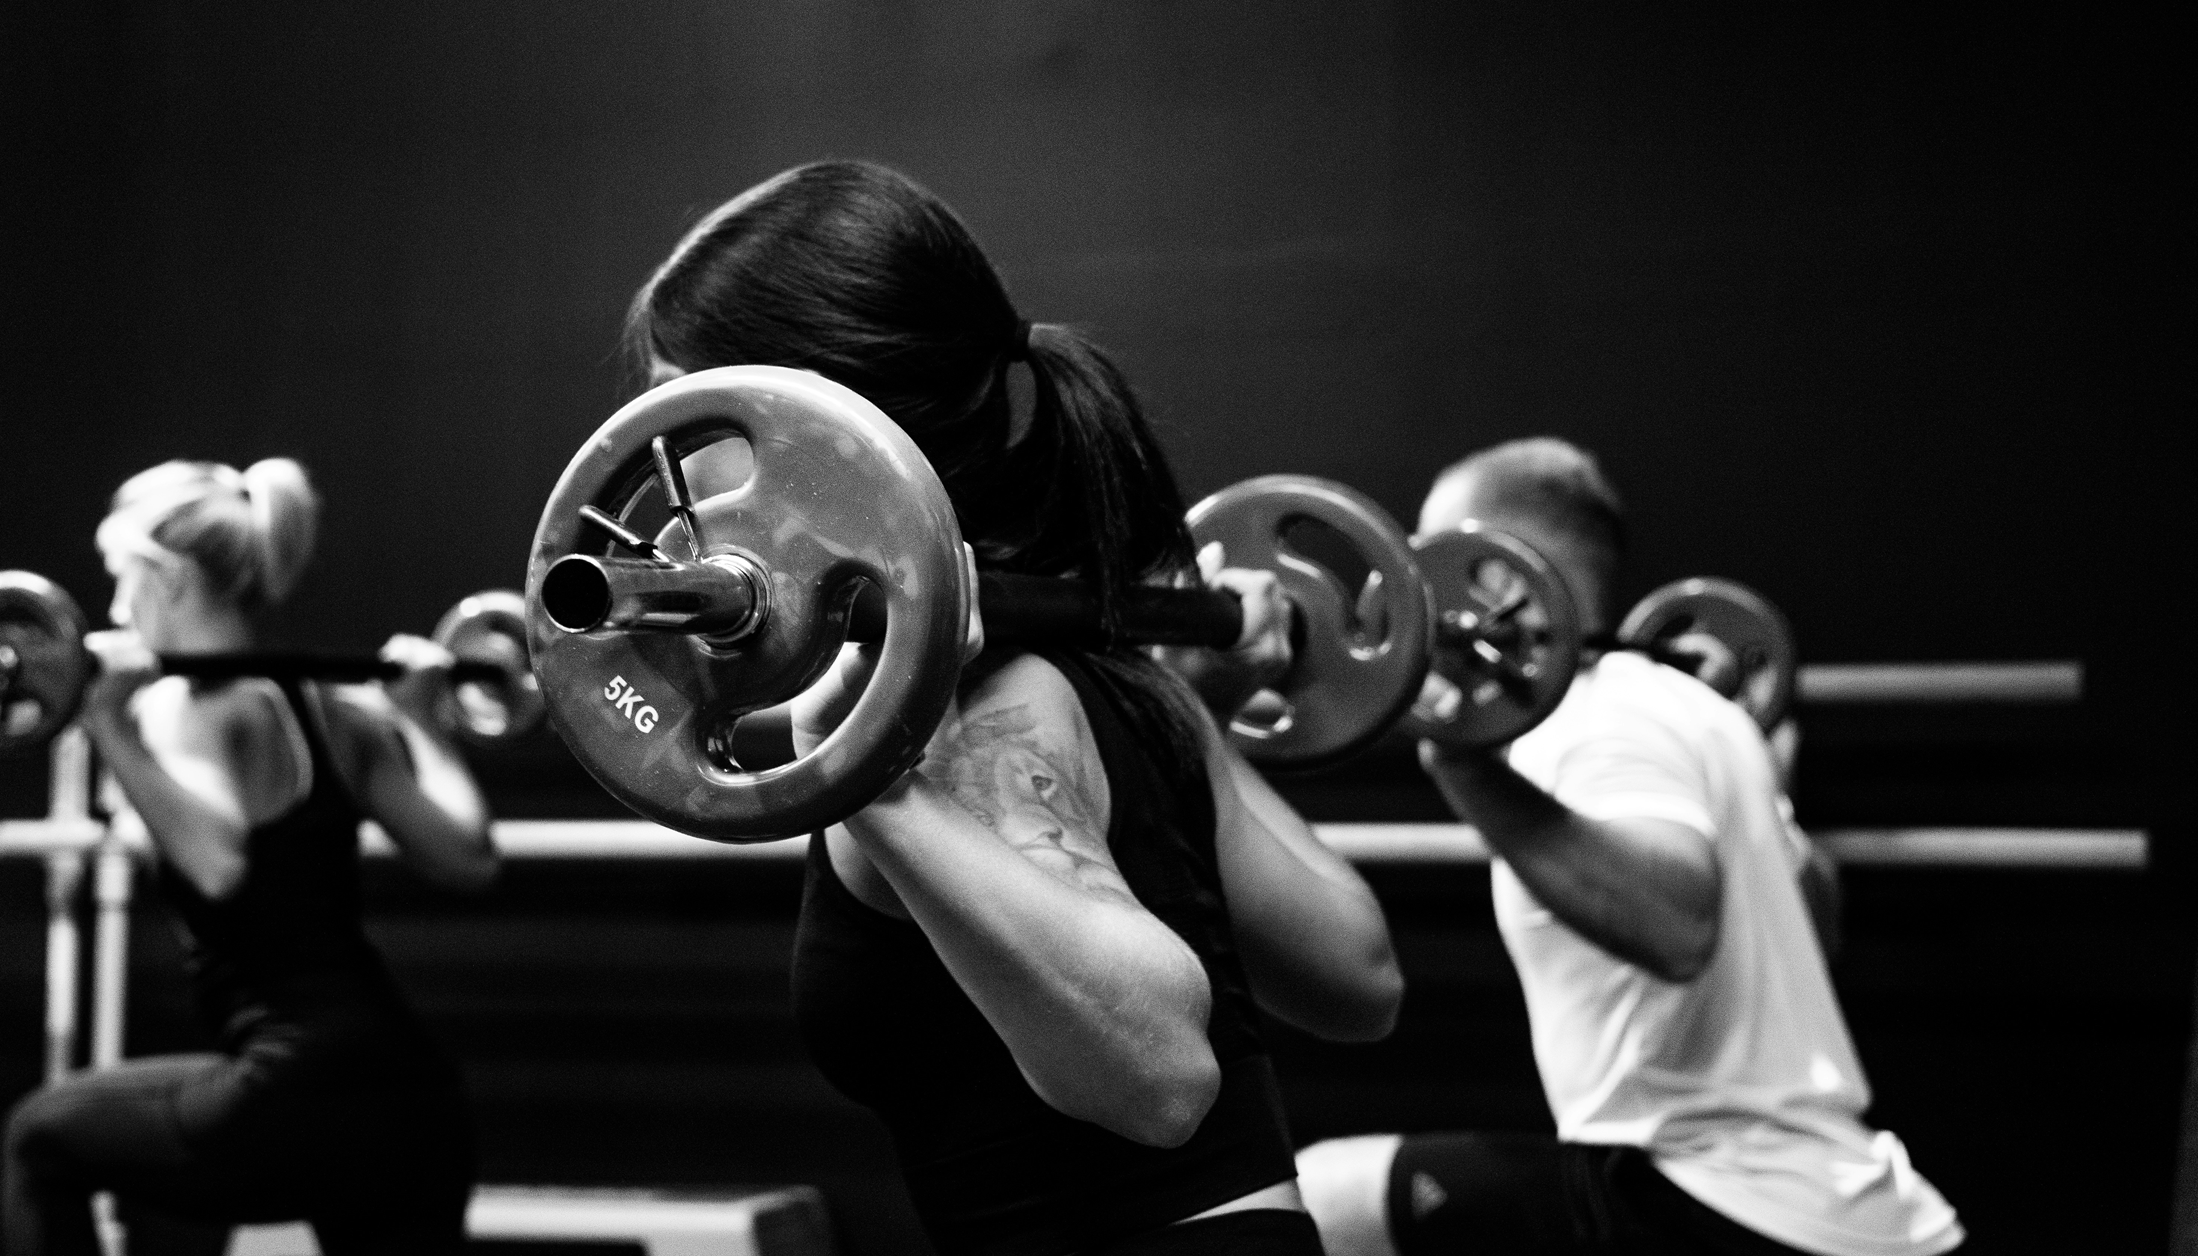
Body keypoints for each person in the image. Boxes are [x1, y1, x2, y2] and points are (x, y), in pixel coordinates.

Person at [624, 160, 1406, 1255]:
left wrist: (873, 785)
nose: (662, 476)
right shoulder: (1120, 674)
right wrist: (1200, 723)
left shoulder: (975, 714)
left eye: (688, 417)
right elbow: (1359, 980)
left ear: (815, 421)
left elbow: (1165, 1078)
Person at [1295, 438, 1962, 1256]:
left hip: (1717, 1197)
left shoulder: (1591, 722)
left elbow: (1677, 927)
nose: (1416, 590)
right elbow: (1818, 933)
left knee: (1324, 1202)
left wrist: (1458, 759)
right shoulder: (1689, 709)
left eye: (1434, 550)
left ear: (1496, 574)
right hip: (1853, 1211)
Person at [0, 458, 500, 1255]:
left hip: (295, 1085)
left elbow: (218, 863)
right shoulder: (341, 708)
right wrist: (424, 720)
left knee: (41, 1137)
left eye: (124, 580)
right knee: (169, 1186)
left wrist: (106, 725)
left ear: (169, 582)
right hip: (411, 1103)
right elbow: (470, 858)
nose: (119, 609)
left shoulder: (179, 710)